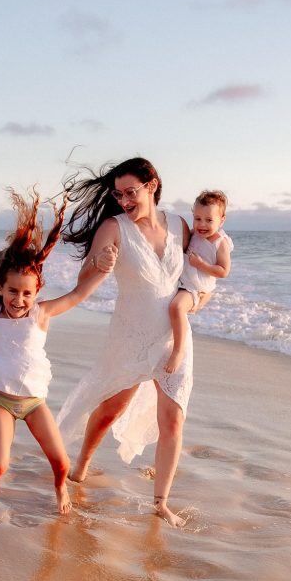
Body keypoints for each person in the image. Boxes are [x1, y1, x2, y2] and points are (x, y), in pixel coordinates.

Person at [0, 188, 116, 521]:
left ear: (37, 292)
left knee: (61, 462)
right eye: (12, 291)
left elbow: (77, 295)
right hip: (2, 402)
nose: (19, 299)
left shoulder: (41, 314)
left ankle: (60, 488)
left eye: (27, 293)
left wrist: (102, 271)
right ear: (0, 287)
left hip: (34, 402)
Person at [57, 157, 208, 527]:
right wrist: (101, 262)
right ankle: (81, 467)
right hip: (130, 333)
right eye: (119, 194)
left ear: (152, 185)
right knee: (111, 408)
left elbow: (197, 278)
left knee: (173, 419)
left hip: (173, 337)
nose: (124, 200)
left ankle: (161, 503)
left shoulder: (180, 226)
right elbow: (84, 278)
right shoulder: (114, 227)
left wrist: (197, 300)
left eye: (131, 192)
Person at [164, 190, 233, 373]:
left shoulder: (220, 243)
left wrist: (200, 264)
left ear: (222, 220)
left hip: (194, 287)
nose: (202, 225)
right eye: (197, 219)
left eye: (209, 220)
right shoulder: (195, 233)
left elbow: (223, 271)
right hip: (182, 281)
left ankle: (178, 351)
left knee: (176, 308)